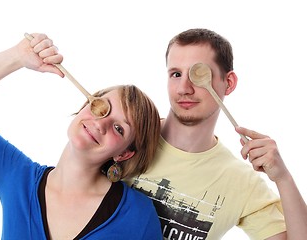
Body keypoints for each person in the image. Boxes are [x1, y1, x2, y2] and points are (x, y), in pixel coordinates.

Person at [0, 33, 163, 239]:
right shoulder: (17, 177)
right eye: (101, 107)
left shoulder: (137, 216)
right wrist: (17, 56)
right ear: (84, 107)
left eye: (119, 128)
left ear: (124, 154)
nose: (101, 123)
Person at [126, 28, 307, 239]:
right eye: (176, 74)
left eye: (198, 74)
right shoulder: (125, 137)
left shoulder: (241, 182)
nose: (184, 88)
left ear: (228, 83)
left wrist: (283, 179)